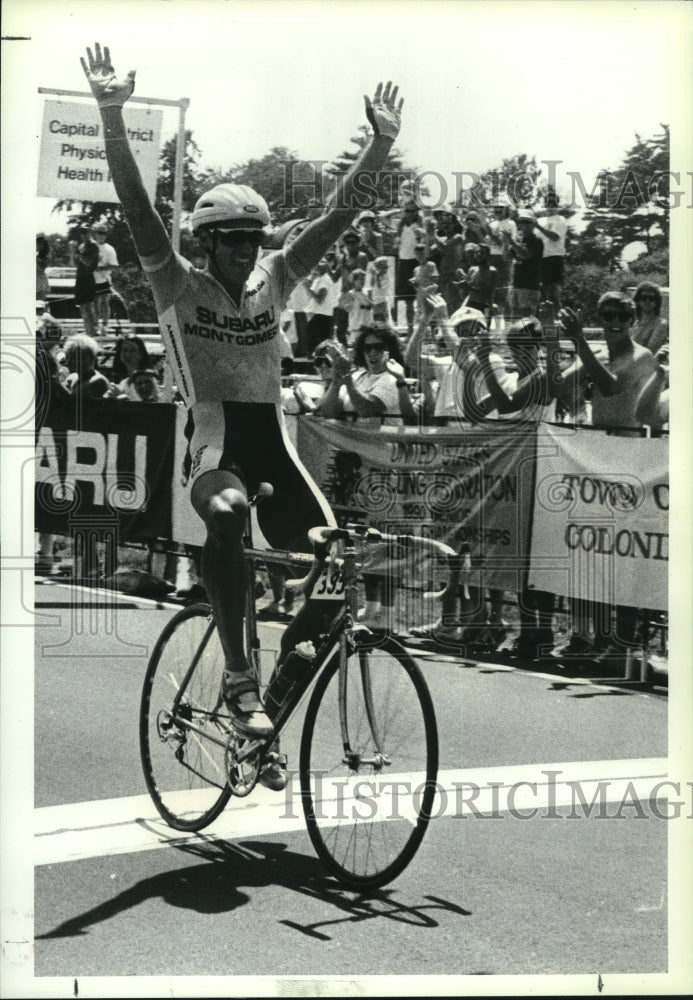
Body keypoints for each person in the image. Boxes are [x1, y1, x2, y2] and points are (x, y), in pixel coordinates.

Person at [81, 43, 404, 774]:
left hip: (274, 444)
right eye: (231, 243)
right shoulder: (176, 281)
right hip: (213, 445)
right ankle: (235, 677)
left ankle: (267, 725)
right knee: (224, 518)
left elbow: (335, 218)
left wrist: (379, 148)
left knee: (334, 570)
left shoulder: (275, 276)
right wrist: (111, 116)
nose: (245, 253)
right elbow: (135, 210)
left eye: (253, 241)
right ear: (206, 242)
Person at [534, 195, 568, 314]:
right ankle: (543, 323)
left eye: (553, 204)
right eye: (548, 203)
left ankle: (559, 320)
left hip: (554, 258)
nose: (551, 206)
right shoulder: (540, 220)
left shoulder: (560, 219)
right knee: (541, 294)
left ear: (557, 205)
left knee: (554, 293)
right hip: (540, 259)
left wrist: (538, 227)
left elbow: (554, 237)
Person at [509, 209, 543, 319]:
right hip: (516, 284)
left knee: (526, 322)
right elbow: (507, 257)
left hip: (529, 286)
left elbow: (525, 254)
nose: (524, 225)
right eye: (522, 222)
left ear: (533, 224)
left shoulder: (536, 240)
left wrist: (511, 241)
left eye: (527, 222)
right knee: (515, 321)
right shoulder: (518, 240)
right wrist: (506, 242)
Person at [394, 201, 421, 334]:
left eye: (411, 211)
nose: (408, 214)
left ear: (416, 212)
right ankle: (410, 329)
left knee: (420, 298)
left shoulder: (419, 224)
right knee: (408, 301)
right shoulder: (401, 224)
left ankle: (421, 328)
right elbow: (383, 218)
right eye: (406, 211)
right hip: (403, 262)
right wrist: (399, 211)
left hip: (415, 261)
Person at [91, 221, 120, 333]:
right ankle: (95, 325)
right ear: (95, 233)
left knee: (104, 302)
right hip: (90, 279)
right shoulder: (89, 246)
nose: (101, 235)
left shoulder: (110, 249)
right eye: (99, 232)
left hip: (104, 279)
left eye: (103, 233)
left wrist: (99, 268)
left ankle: (104, 326)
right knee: (93, 302)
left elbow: (114, 266)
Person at [73, 228, 100, 337]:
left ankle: (92, 331)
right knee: (82, 307)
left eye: (86, 232)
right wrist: (74, 253)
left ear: (90, 233)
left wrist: (79, 254)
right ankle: (87, 329)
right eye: (82, 233)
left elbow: (89, 263)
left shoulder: (93, 245)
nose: (84, 235)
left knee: (88, 306)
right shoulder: (81, 246)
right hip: (80, 277)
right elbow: (75, 262)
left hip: (88, 277)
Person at [631, 281, 668, 355]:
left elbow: (650, 352)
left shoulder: (660, 324)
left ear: (656, 301)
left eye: (651, 298)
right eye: (643, 298)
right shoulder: (636, 324)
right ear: (638, 300)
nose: (647, 301)